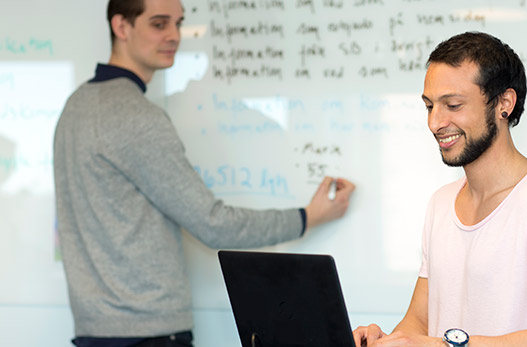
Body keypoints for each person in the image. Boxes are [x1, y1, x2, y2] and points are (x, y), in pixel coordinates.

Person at [53, 0, 355, 346]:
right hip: (146, 335)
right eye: (159, 24)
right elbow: (214, 224)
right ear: (121, 27)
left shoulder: (74, 107)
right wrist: (307, 217)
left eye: (178, 23)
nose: (174, 36)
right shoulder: (134, 116)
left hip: (95, 332)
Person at [353, 32, 527, 347]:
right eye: (429, 106)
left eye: (452, 105)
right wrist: (386, 340)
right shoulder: (441, 203)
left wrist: (448, 345)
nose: (435, 123)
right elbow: (420, 321)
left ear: (504, 104)